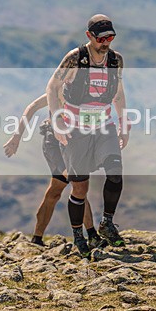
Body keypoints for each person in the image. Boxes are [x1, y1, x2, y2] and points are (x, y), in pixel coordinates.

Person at [46, 14, 129, 257]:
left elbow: (119, 93)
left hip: (104, 125)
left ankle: (107, 222)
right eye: (101, 38)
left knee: (115, 172)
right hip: (75, 128)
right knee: (80, 187)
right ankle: (78, 236)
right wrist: (57, 119)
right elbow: (52, 87)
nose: (106, 43)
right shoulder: (75, 58)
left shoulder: (115, 60)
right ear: (89, 36)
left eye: (110, 37)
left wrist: (123, 123)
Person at [3, 94, 105, 249]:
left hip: (75, 142)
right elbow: (33, 107)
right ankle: (92, 235)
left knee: (55, 191)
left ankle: (37, 238)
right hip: (54, 143)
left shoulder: (87, 91)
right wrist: (16, 137)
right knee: (78, 184)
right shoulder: (59, 88)